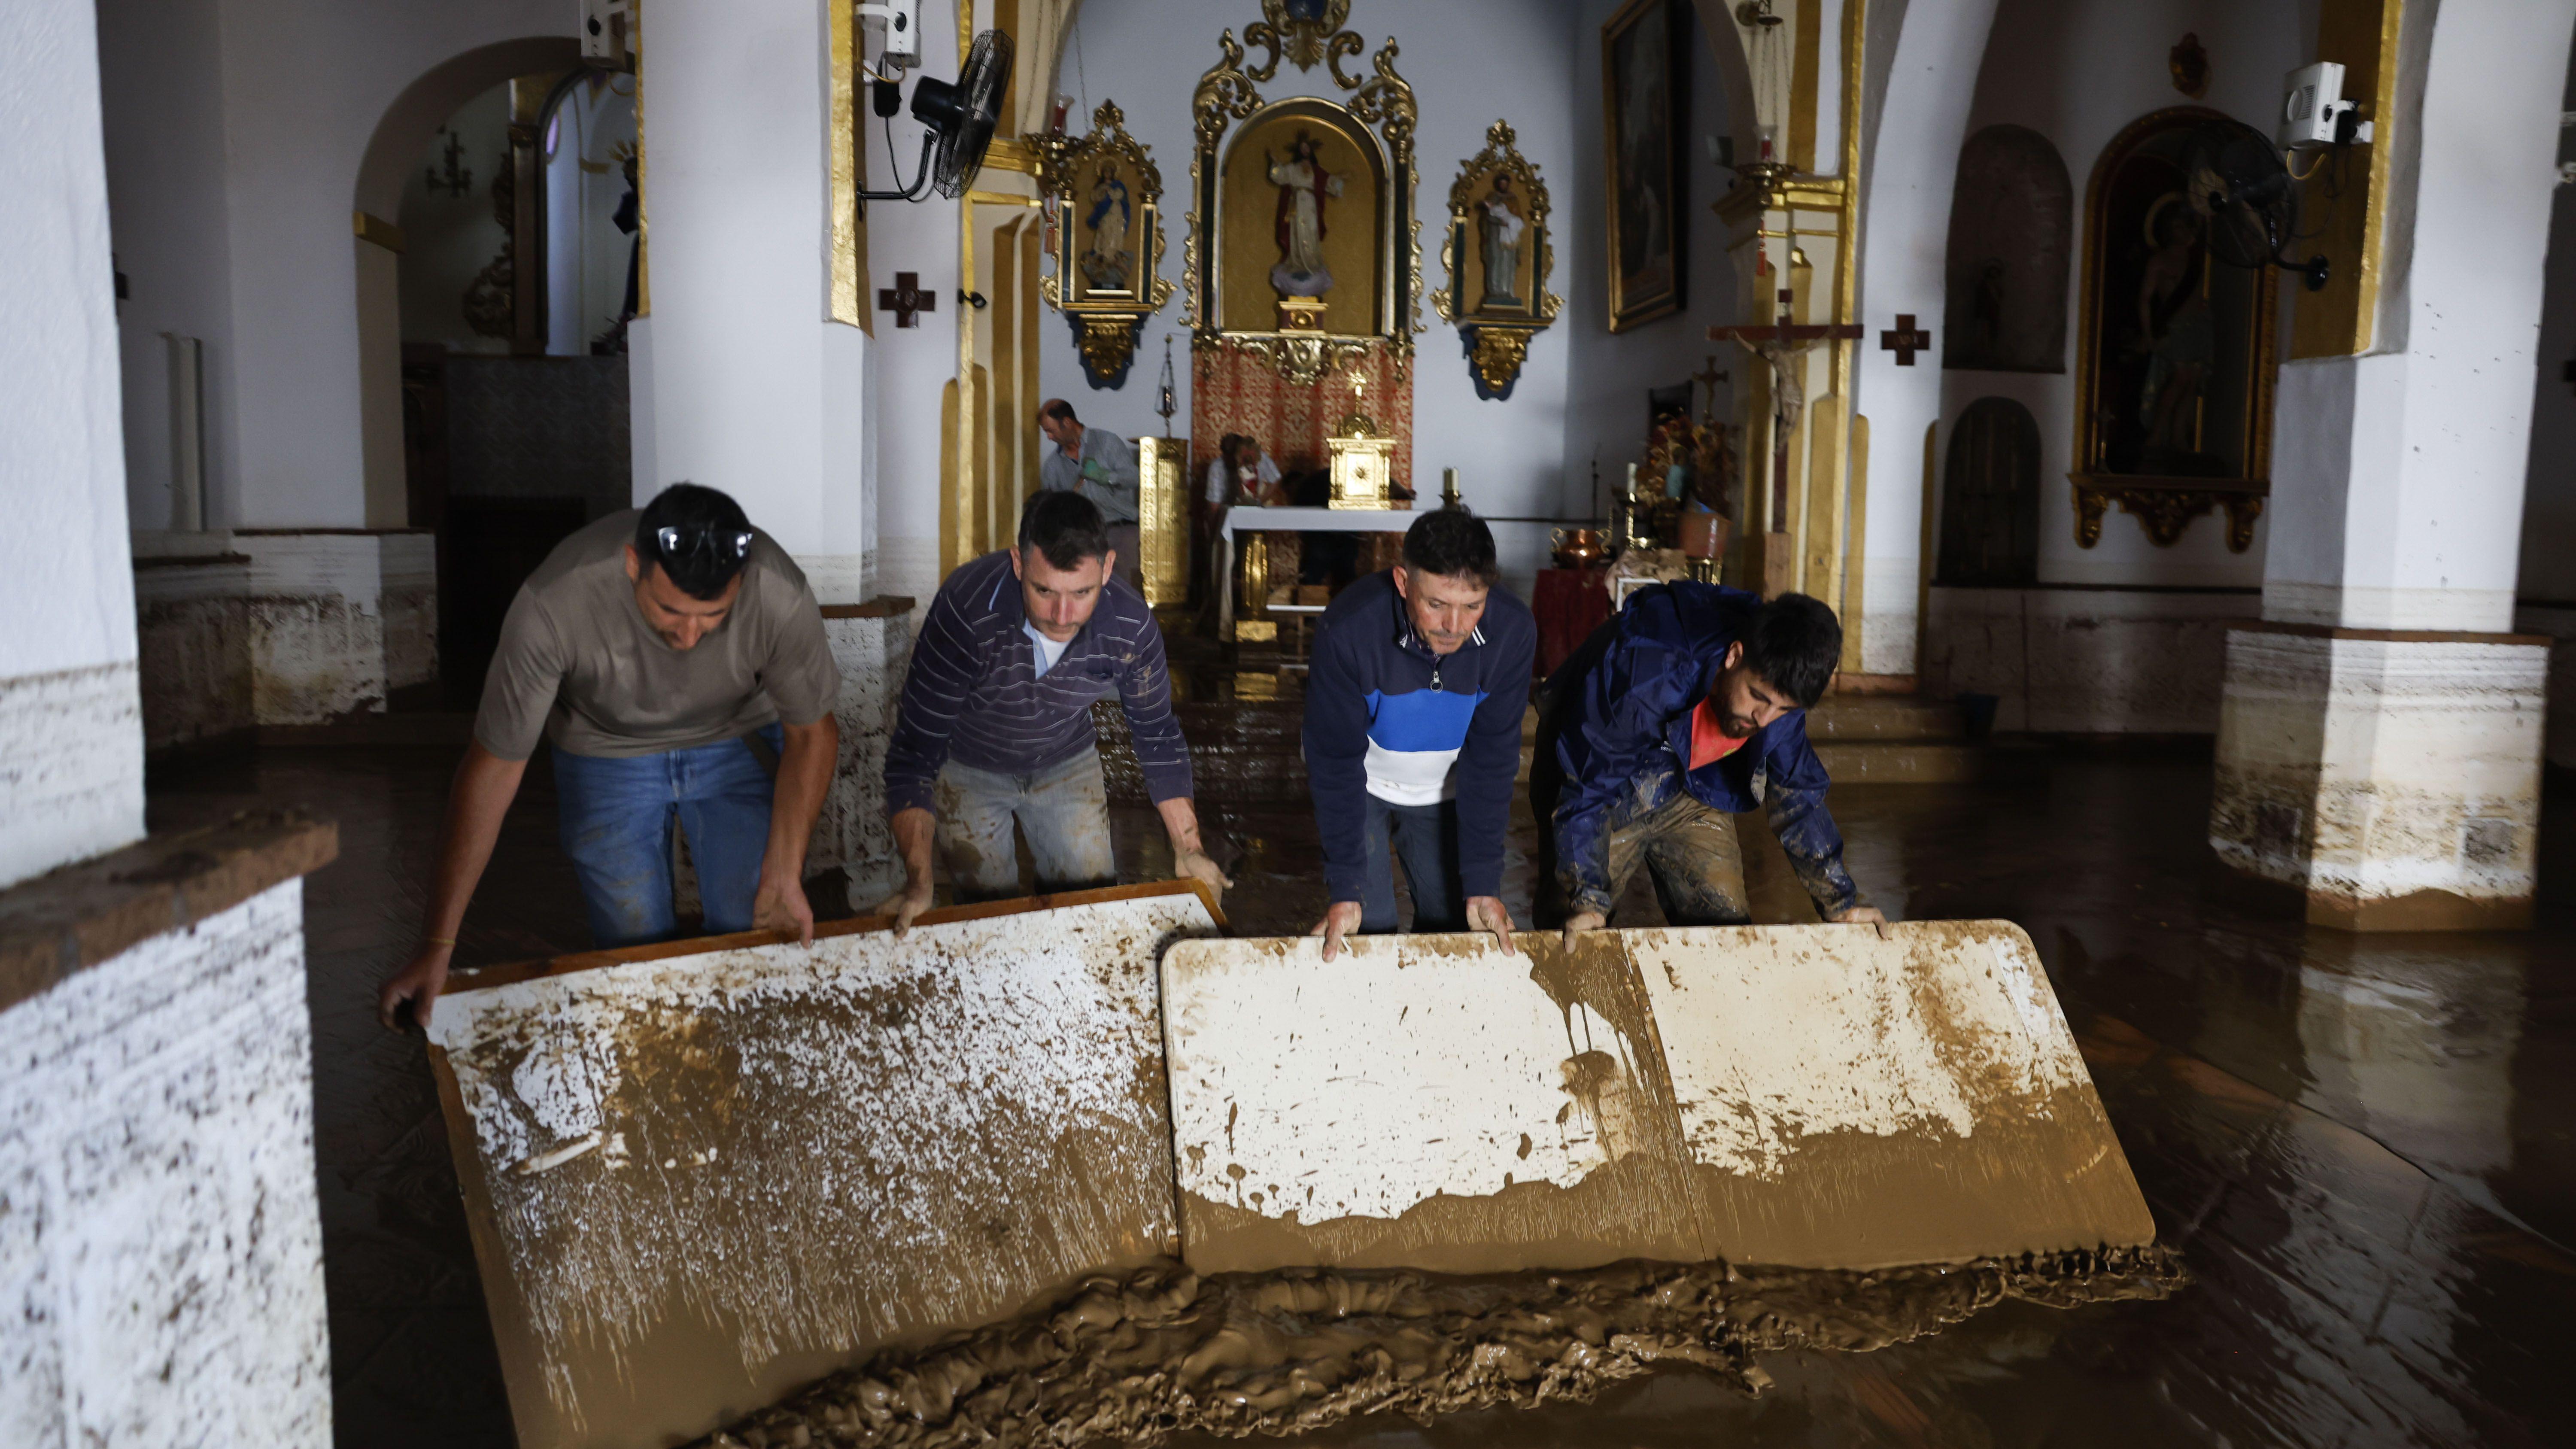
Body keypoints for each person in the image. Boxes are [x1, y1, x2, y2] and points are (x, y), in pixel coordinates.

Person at [378, 483, 841, 1027]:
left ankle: (744, 1070)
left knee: (755, 931)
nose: (690, 635)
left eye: (713, 614)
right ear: (632, 565)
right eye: (671, 610)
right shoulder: (555, 602)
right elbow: (495, 766)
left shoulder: (776, 591)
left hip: (736, 738)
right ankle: (652, 1070)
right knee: (631, 947)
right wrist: (437, 943)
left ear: (739, 584)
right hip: (606, 748)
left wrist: (786, 873)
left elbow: (813, 735)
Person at [876, 490, 1229, 930]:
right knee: (986, 920)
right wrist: (919, 879)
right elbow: (915, 750)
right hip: (968, 770)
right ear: (1019, 565)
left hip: (1066, 764)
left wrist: (1188, 847)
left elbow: (1156, 733)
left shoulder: (1130, 625)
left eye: (1082, 592)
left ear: (1108, 568)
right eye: (1044, 591)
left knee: (1087, 913)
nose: (1063, 615)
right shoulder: (967, 608)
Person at [1534, 585, 1885, 942]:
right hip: (1592, 771)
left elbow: (1797, 795)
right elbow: (1588, 786)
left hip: (1691, 784)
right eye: (1758, 698)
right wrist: (1588, 897)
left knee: (1725, 935)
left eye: (1784, 709)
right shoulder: (1652, 672)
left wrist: (1840, 900)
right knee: (1572, 929)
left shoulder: (1778, 689)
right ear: (1734, 655)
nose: (1765, 719)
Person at [1305, 510, 1535, 960]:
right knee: (1366, 932)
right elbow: (1334, 761)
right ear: (1403, 582)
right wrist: (1346, 885)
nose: (1455, 626)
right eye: (1437, 604)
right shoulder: (1349, 628)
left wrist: (1484, 884)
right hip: (1363, 784)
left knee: (1454, 931)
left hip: (1444, 791)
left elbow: (1492, 759)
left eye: (1473, 606)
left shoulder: (1512, 631)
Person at [1037, 398, 1142, 590]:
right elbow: (1049, 510)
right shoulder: (1053, 467)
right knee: (1088, 591)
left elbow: (1134, 478)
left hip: (1122, 532)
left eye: (1051, 430)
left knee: (1128, 591)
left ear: (1067, 423)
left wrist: (1105, 476)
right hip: (1084, 538)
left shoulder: (1106, 442)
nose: (1049, 437)